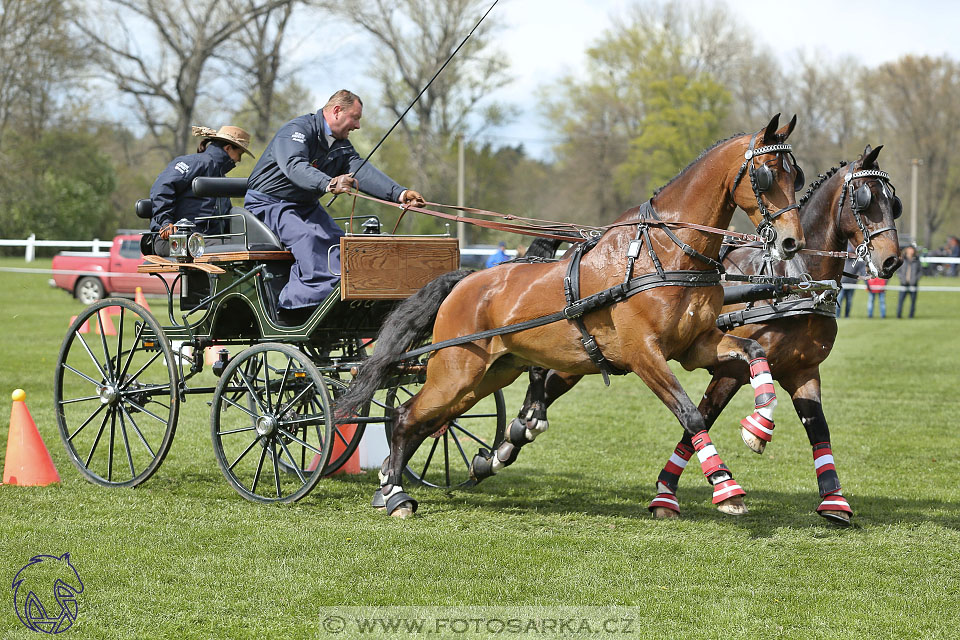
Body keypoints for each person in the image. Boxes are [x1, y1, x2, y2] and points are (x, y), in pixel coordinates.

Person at [244, 90, 424, 317]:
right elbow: (293, 166)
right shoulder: (297, 131)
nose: (357, 126)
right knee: (307, 239)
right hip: (268, 203)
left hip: (304, 206)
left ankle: (340, 299)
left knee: (339, 243)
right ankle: (296, 305)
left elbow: (360, 170)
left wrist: (400, 193)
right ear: (337, 111)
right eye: (355, 118)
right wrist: (328, 183)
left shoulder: (340, 144)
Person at [149, 125, 254, 255]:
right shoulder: (196, 163)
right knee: (238, 246)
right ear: (227, 148)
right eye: (239, 154)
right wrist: (165, 222)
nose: (239, 160)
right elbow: (162, 187)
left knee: (243, 243)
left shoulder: (220, 178)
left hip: (201, 239)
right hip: (172, 240)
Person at [836, 243, 863, 318]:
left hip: (851, 285)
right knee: (839, 300)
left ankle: (847, 316)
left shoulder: (858, 261)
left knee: (849, 301)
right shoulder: (843, 259)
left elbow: (861, 272)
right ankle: (837, 316)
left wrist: (855, 281)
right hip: (842, 284)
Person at [897, 245, 921, 318]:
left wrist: (915, 279)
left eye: (912, 249)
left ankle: (911, 316)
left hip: (913, 284)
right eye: (910, 249)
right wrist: (902, 279)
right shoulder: (902, 259)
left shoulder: (917, 260)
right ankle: (899, 315)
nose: (911, 251)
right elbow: (899, 271)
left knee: (913, 301)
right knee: (901, 300)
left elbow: (920, 271)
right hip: (903, 283)